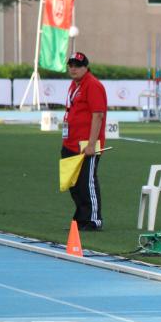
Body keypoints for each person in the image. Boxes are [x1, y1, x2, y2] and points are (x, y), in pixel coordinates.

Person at [61, 52, 107, 231]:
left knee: (86, 182)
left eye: (77, 65)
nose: (73, 68)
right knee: (74, 183)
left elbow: (98, 115)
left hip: (85, 144)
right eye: (71, 65)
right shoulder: (74, 85)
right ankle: (81, 217)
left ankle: (93, 220)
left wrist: (91, 144)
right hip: (70, 142)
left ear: (85, 67)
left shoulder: (93, 85)